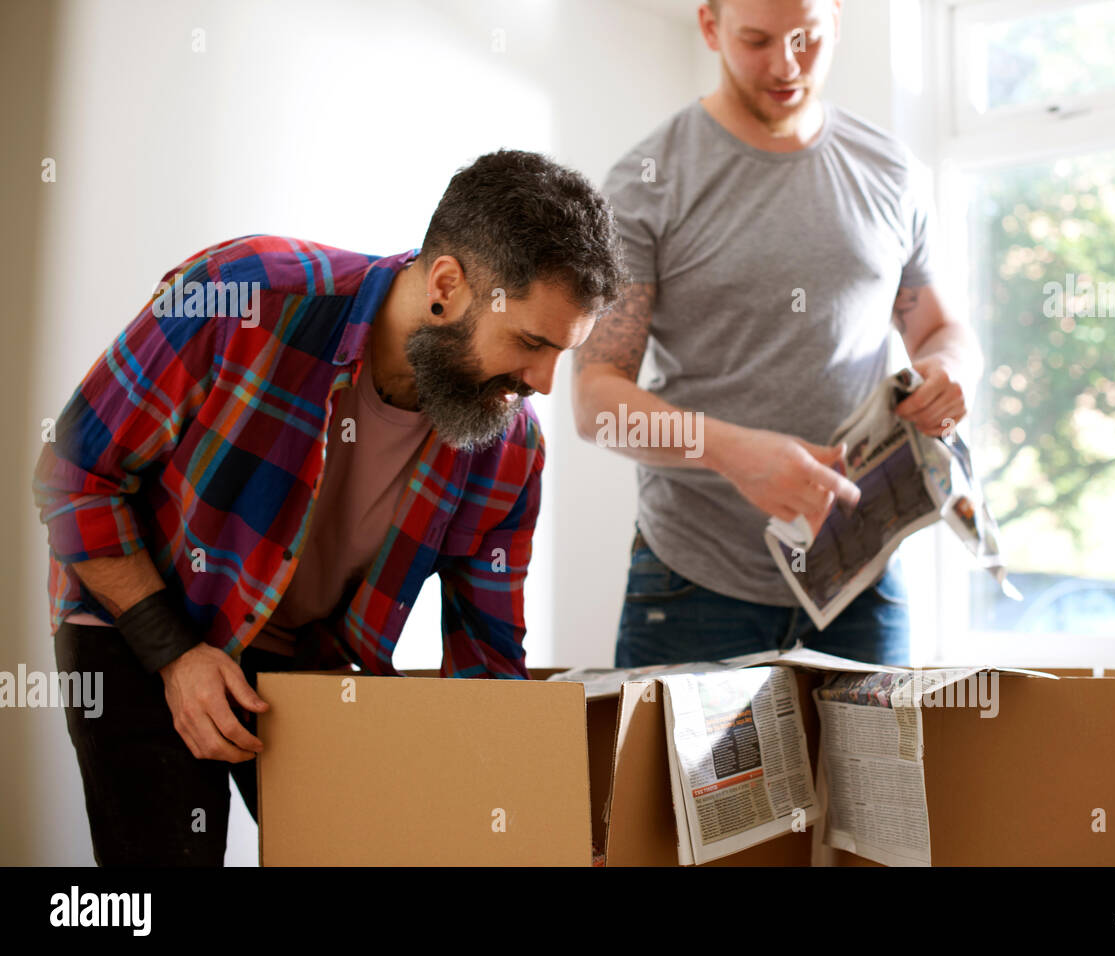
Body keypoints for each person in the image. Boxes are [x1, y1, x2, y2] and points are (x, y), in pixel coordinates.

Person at [32, 149, 626, 865]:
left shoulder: (508, 447)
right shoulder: (242, 295)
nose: (543, 382)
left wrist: (522, 824)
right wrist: (176, 654)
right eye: (530, 342)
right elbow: (73, 476)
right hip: (138, 621)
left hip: (305, 661)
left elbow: (487, 658)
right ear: (447, 284)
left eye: (563, 351)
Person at [572, 0, 981, 668]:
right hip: (692, 581)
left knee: (876, 779)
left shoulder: (892, 169)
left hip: (863, 577)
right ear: (710, 27)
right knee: (668, 781)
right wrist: (730, 451)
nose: (785, 65)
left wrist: (955, 368)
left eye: (806, 39)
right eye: (756, 40)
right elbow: (595, 403)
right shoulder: (646, 182)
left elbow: (938, 328)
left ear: (836, 22)